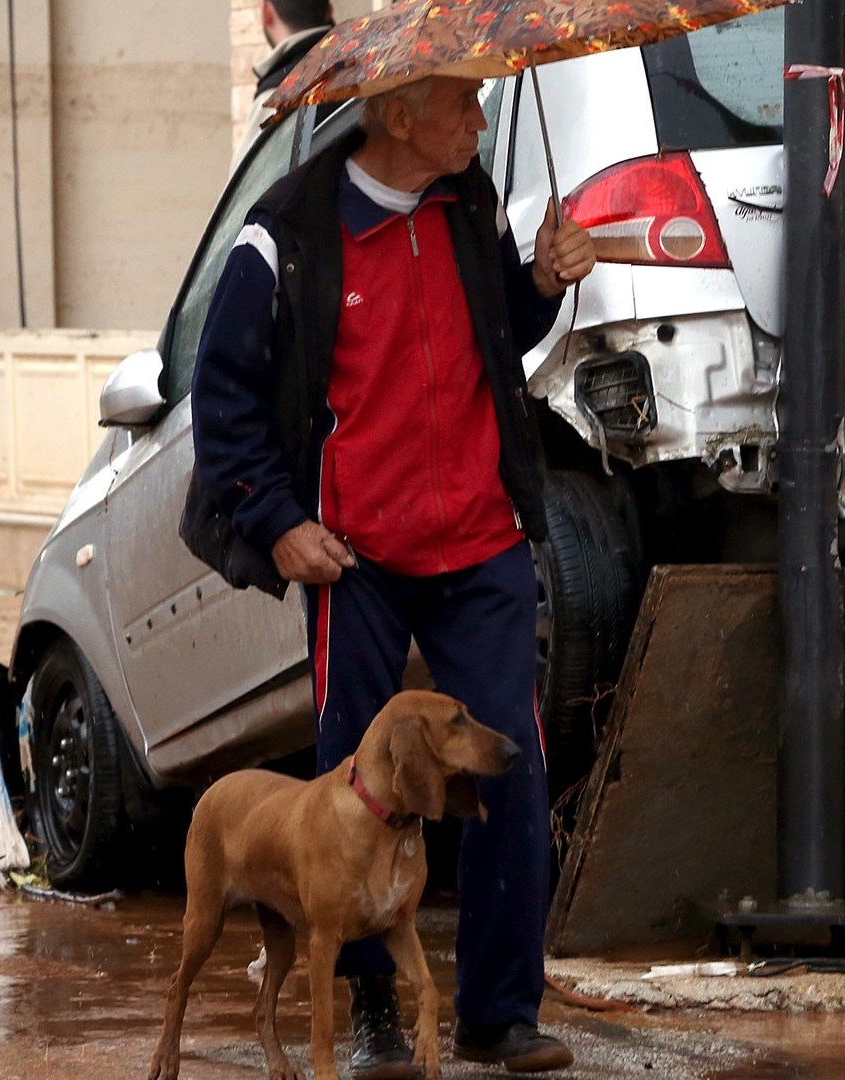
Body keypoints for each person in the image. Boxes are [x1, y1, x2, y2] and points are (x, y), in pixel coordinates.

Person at [183, 74, 595, 1077]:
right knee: (359, 791)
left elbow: (496, 335)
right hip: (355, 558)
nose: (481, 122)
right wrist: (278, 522)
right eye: (462, 104)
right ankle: (370, 1007)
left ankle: (500, 1014)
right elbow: (220, 393)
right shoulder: (284, 233)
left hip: (481, 542)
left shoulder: (472, 202)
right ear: (397, 114)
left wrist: (540, 283)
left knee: (508, 767)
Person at [231, 0, 336, 171]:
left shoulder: (276, 97)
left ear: (266, 13)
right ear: (329, 11)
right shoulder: (364, 72)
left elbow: (246, 193)